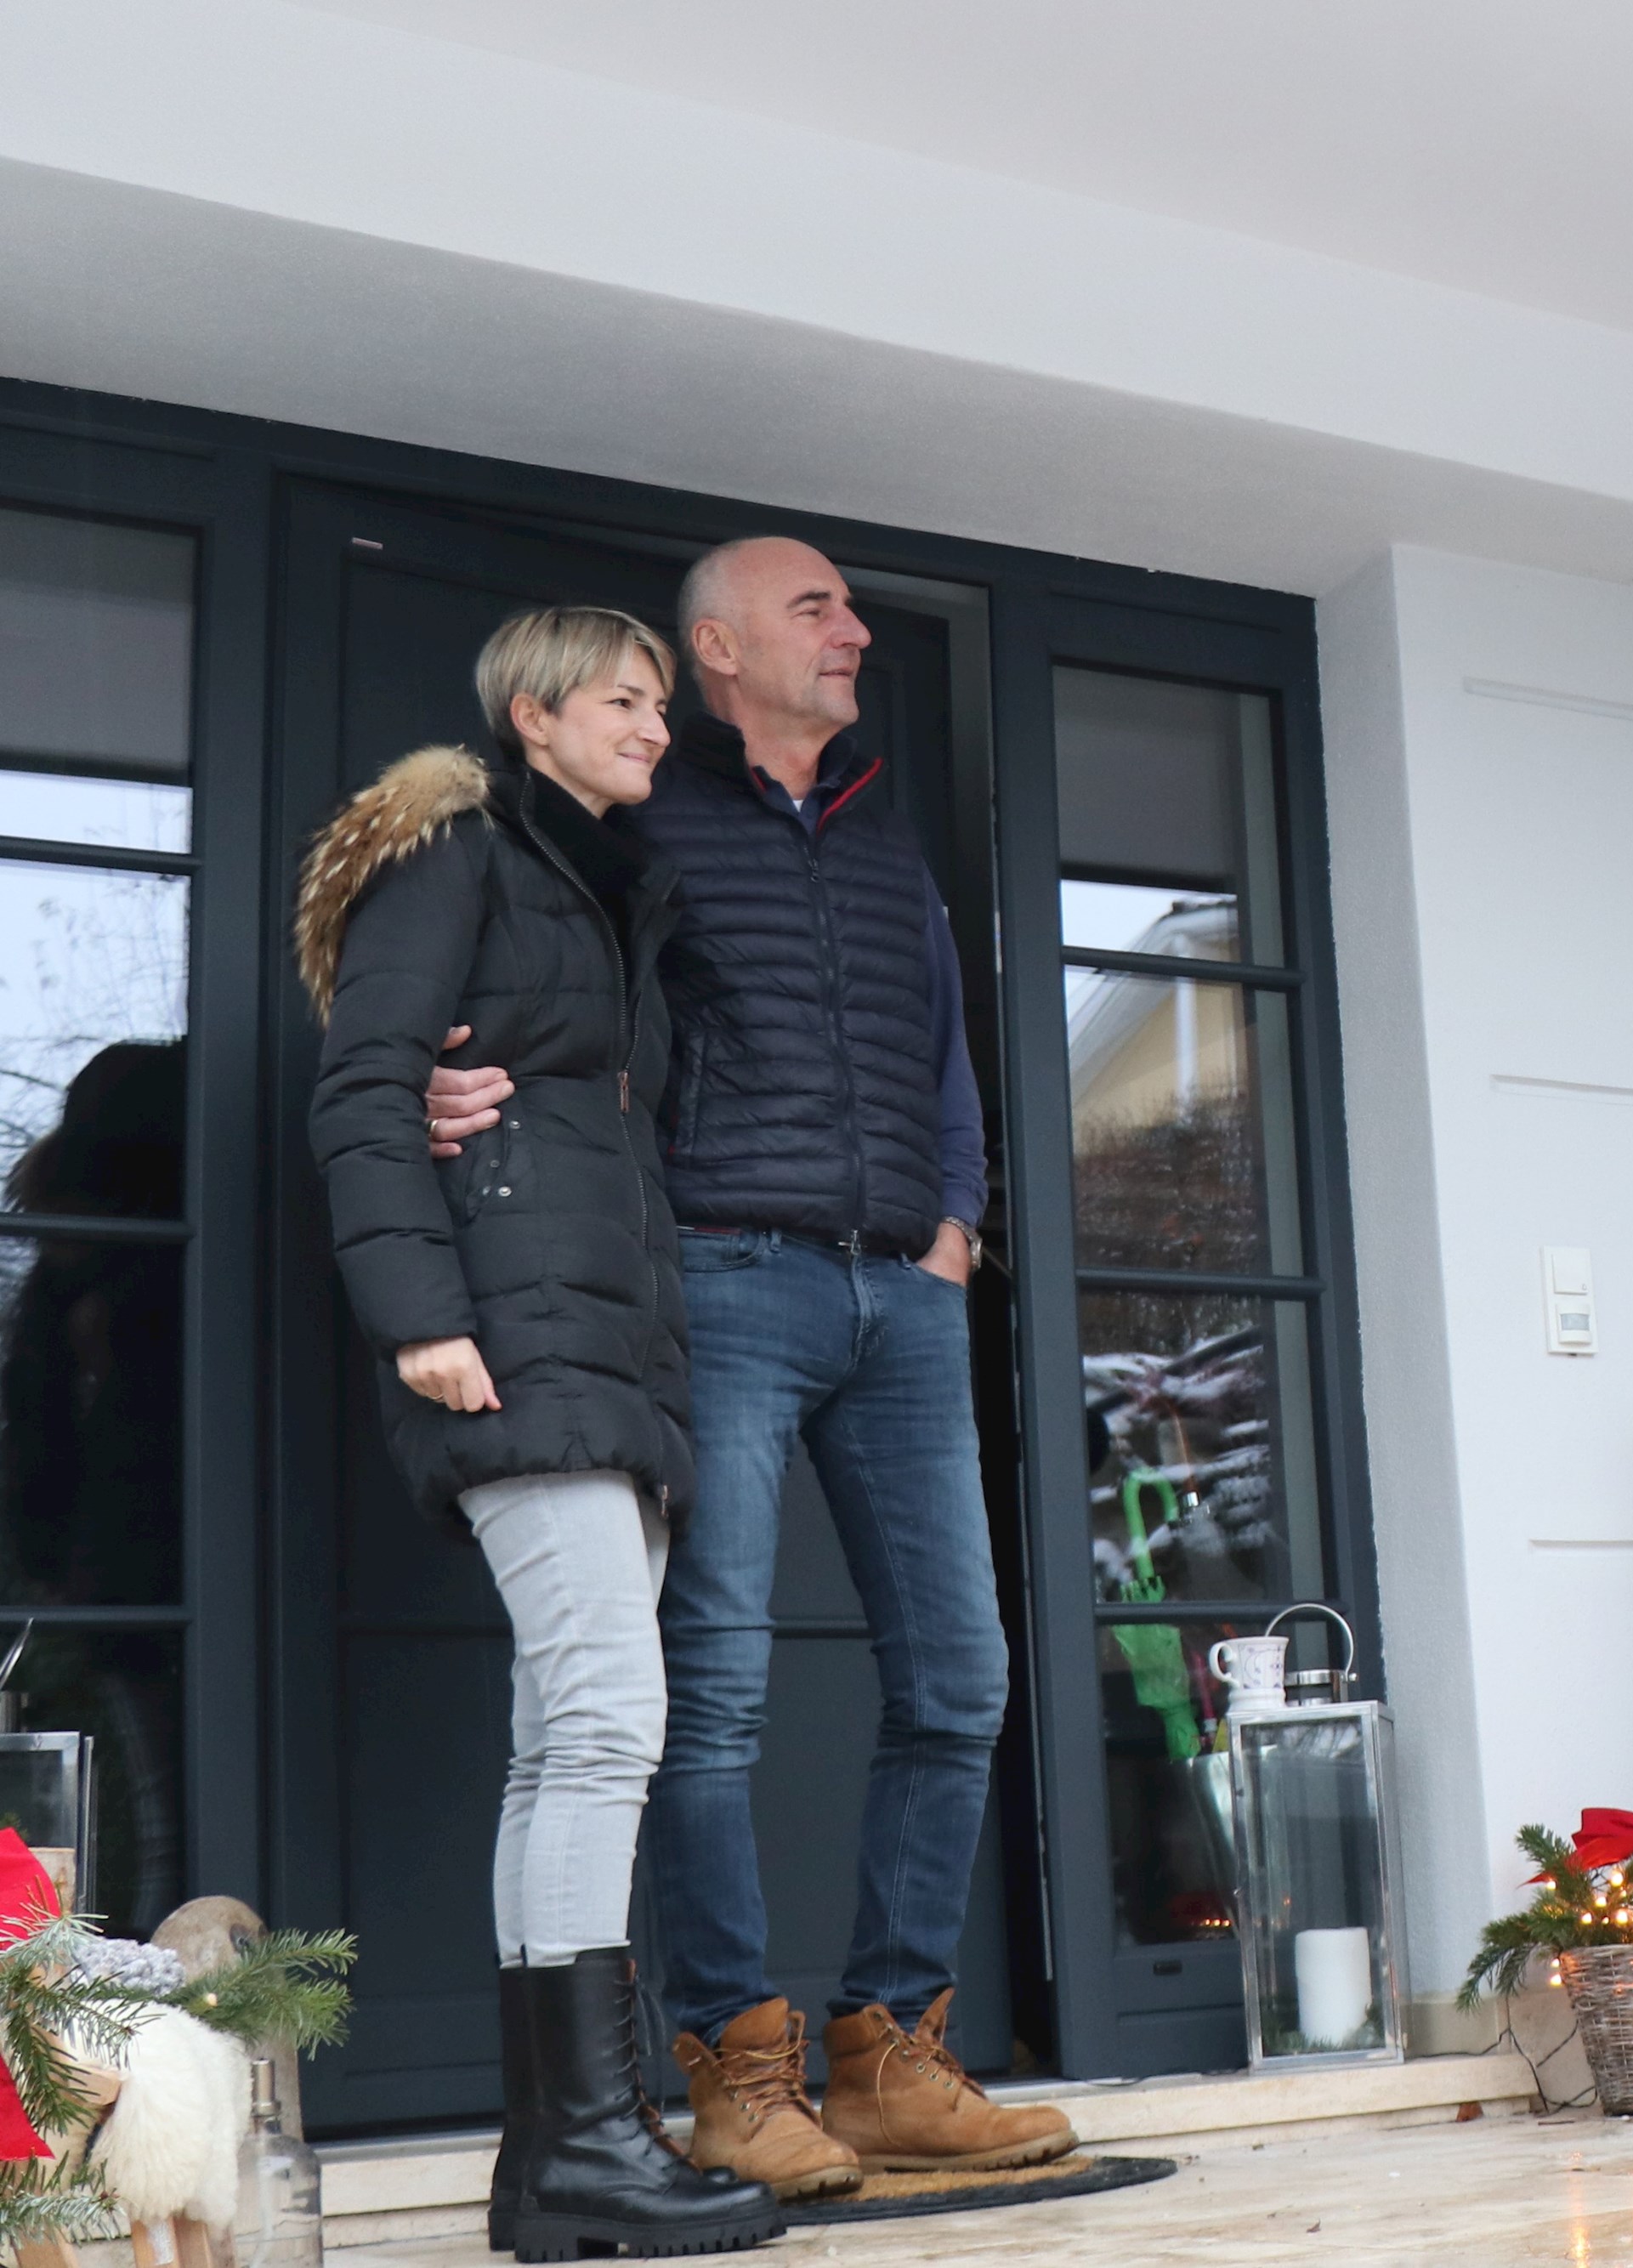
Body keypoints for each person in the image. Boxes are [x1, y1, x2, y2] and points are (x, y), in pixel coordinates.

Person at [428, 539, 1068, 2192]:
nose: (854, 632)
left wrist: (954, 1219)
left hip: (902, 1297)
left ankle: (892, 2052)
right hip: (720, 1279)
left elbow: (941, 1032)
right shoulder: (643, 808)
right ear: (718, 647)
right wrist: (453, 1083)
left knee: (959, 1678)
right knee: (706, 1689)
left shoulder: (880, 819)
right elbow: (542, 986)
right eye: (817, 609)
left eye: (852, 610)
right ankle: (737, 2069)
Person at [303, 608, 780, 2259]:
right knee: (604, 1726)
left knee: (557, 1736)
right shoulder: (460, 856)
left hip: (606, 1346)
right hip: (519, 1338)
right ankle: (586, 2139)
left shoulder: (593, 890)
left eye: (664, 700)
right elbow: (366, 1081)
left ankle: (553, 2157)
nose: (658, 726)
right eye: (628, 700)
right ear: (534, 711)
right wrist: (420, 1313)